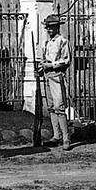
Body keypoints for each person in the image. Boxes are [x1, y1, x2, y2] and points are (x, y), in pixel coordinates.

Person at [37, 14, 73, 150]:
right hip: (47, 76)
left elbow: (66, 60)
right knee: (51, 107)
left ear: (57, 27)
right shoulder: (47, 43)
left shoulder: (63, 41)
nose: (49, 29)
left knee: (59, 107)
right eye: (48, 27)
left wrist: (51, 65)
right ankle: (56, 135)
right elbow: (45, 60)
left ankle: (66, 138)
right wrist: (42, 67)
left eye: (52, 27)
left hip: (57, 76)